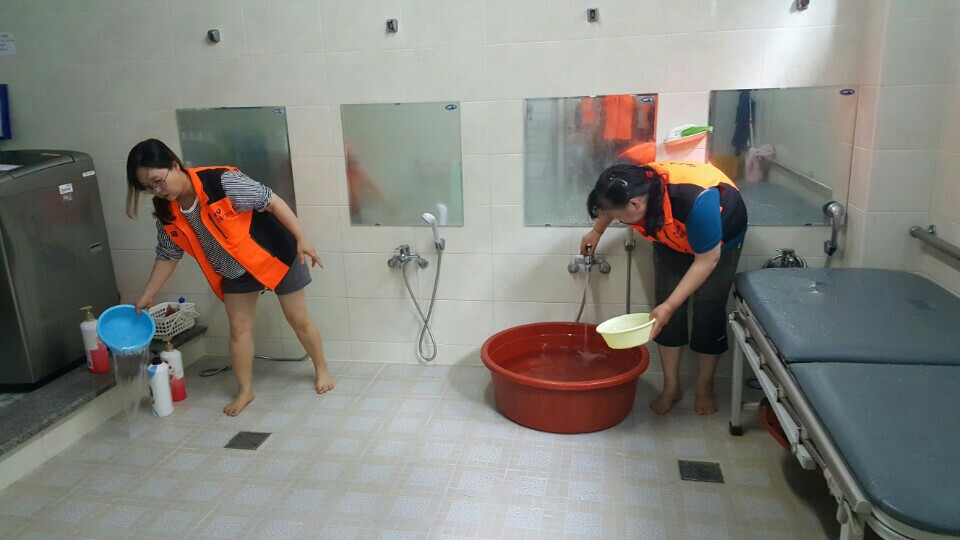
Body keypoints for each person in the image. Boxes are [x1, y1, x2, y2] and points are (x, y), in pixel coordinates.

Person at [125, 139, 334, 416]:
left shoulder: (221, 182)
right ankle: (245, 390)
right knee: (238, 330)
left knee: (298, 318)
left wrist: (301, 238)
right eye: (148, 188)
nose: (157, 191)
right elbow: (167, 255)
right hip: (234, 269)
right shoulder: (167, 212)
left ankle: (321, 369)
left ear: (174, 165)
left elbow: (271, 201)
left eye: (158, 181)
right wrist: (148, 294)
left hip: (275, 254)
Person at [582, 161, 747, 415]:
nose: (617, 219)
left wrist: (670, 306)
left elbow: (707, 260)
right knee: (662, 315)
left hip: (720, 241)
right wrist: (596, 232)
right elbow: (610, 203)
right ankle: (671, 386)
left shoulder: (696, 201)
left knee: (709, 310)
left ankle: (705, 385)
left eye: (617, 217)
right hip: (671, 237)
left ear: (635, 204)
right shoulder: (632, 185)